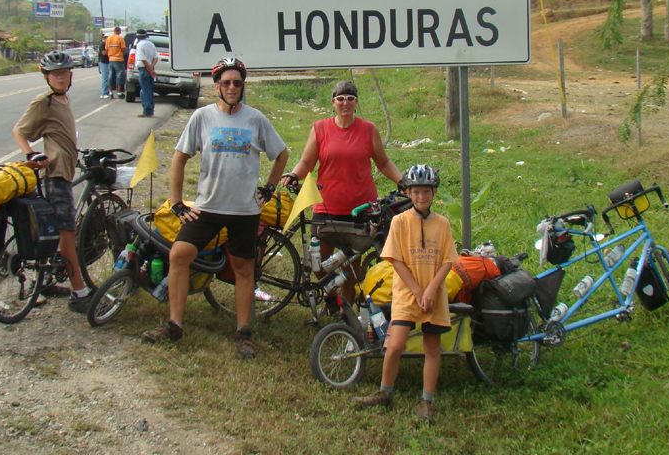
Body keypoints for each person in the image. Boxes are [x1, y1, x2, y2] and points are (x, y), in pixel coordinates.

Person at [142, 57, 289, 358]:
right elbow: (180, 158)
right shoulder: (202, 117)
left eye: (237, 82)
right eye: (226, 83)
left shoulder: (255, 119)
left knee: (244, 269)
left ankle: (243, 333)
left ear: (242, 85)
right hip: (208, 206)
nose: (232, 87)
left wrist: (269, 188)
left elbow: (282, 154)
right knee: (179, 255)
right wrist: (177, 203)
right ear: (217, 86)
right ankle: (174, 325)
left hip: (245, 210)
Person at [280, 79, 403, 307]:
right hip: (326, 207)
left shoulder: (368, 129)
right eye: (340, 99)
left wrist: (402, 181)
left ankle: (346, 313)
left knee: (351, 267)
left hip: (360, 209)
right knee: (319, 263)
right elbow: (307, 161)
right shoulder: (320, 128)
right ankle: (331, 297)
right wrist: (294, 175)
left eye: (350, 98)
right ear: (333, 103)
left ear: (356, 102)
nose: (345, 103)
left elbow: (383, 162)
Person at [350, 165, 457, 423]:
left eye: (426, 192)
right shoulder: (399, 222)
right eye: (417, 192)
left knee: (433, 349)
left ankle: (426, 401)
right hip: (407, 294)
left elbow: (448, 261)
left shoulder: (442, 224)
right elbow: (396, 260)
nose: (422, 197)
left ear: (434, 193)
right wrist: (418, 290)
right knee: (394, 345)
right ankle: (385, 393)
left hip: (433, 295)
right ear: (408, 193)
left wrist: (430, 290)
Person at [11, 51, 94, 313]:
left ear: (71, 75)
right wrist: (30, 154)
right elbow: (19, 130)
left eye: (64, 73)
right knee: (66, 234)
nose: (60, 77)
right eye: (55, 74)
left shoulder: (63, 99)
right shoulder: (43, 102)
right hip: (54, 175)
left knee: (54, 233)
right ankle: (80, 293)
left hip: (65, 172)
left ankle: (43, 283)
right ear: (46, 77)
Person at [134, 29, 157, 118]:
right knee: (150, 90)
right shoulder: (151, 44)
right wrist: (151, 67)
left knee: (145, 90)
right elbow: (156, 57)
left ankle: (146, 110)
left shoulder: (139, 45)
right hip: (150, 68)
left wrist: (148, 68)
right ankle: (150, 109)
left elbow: (142, 59)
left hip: (144, 69)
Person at [105, 26, 126, 98]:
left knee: (111, 76)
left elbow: (106, 48)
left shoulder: (108, 38)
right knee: (120, 75)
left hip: (111, 59)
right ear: (119, 31)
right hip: (118, 59)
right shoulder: (120, 38)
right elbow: (123, 49)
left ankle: (110, 92)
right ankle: (120, 93)